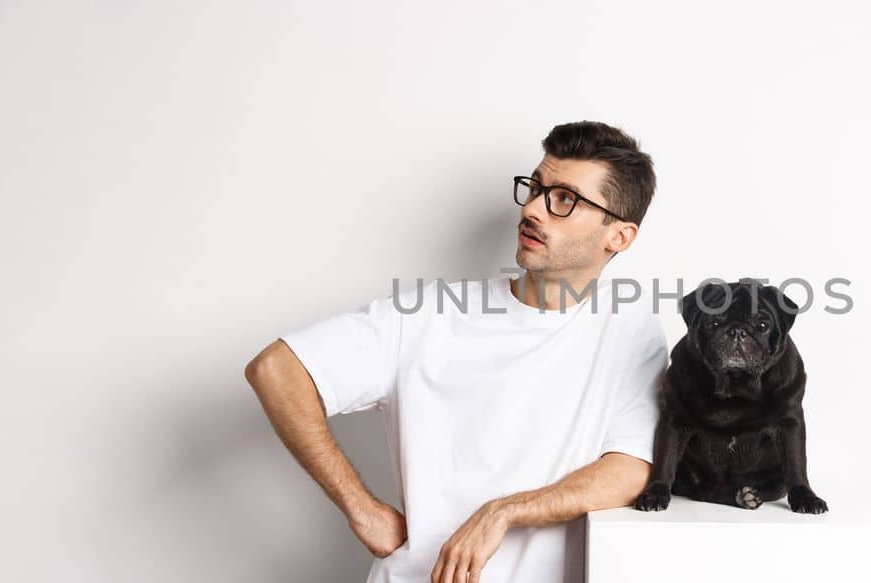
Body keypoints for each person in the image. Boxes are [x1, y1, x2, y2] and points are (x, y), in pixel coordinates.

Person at [244, 121, 665, 583]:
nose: (532, 210)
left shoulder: (631, 331)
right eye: (535, 188)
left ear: (618, 237)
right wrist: (361, 509)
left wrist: (505, 512)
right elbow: (277, 369)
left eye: (564, 199)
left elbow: (630, 469)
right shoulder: (429, 316)